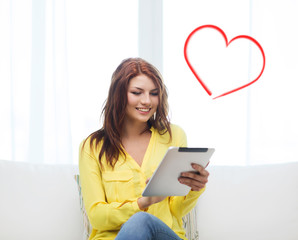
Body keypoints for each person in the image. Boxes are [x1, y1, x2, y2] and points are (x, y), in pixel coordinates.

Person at [79, 58, 209, 240]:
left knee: (142, 221)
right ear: (119, 94)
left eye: (154, 93)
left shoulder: (174, 136)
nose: (147, 101)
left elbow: (176, 211)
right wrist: (143, 203)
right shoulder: (92, 147)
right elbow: (97, 217)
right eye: (137, 92)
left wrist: (194, 188)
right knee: (139, 221)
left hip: (164, 236)